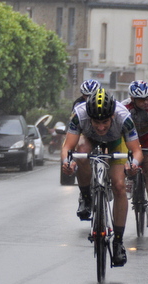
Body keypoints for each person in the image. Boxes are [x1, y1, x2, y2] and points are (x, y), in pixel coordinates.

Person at [61, 88, 142, 266]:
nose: (100, 127)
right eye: (96, 122)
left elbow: (136, 150)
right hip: (90, 139)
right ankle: (86, 197)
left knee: (119, 186)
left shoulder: (123, 117)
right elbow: (68, 147)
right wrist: (67, 163)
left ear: (112, 116)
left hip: (115, 142)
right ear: (88, 116)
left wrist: (133, 164)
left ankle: (118, 242)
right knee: (80, 152)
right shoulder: (79, 114)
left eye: (105, 121)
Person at [121, 80, 148, 226]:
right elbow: (118, 131)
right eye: (142, 100)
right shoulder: (124, 107)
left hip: (147, 138)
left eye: (147, 98)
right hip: (128, 138)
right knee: (125, 163)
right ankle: (128, 180)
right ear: (133, 99)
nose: (146, 102)